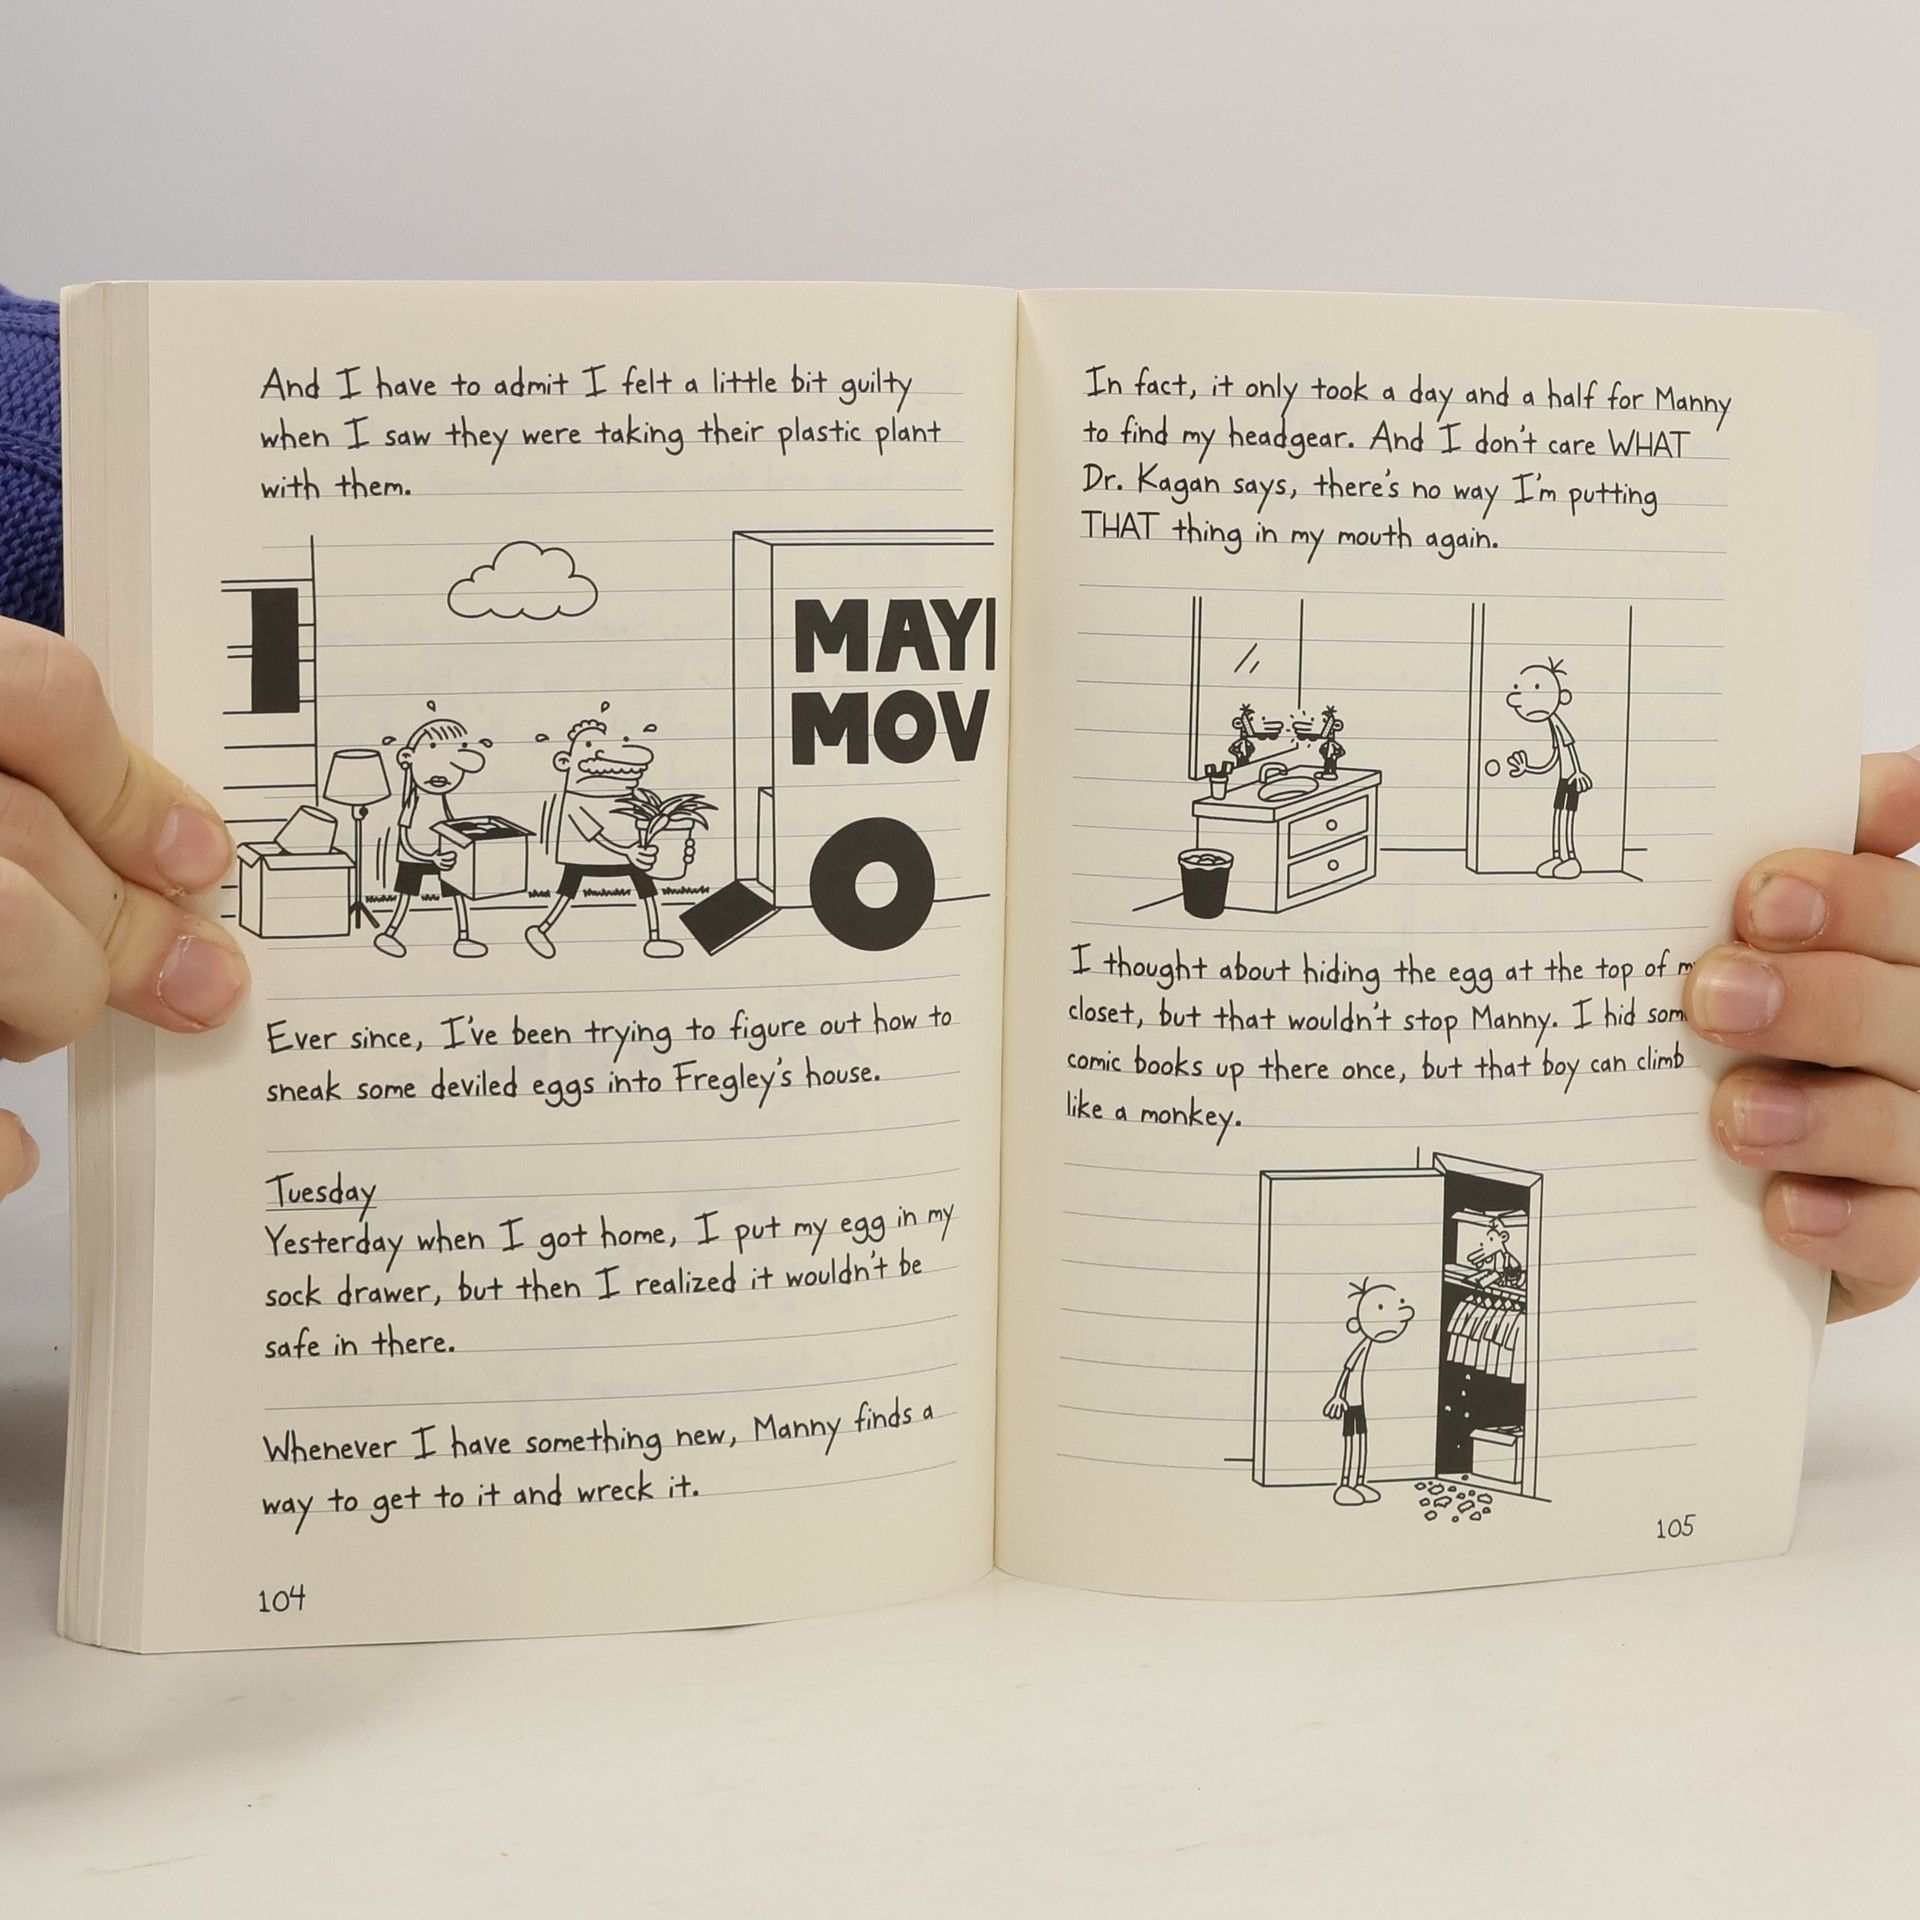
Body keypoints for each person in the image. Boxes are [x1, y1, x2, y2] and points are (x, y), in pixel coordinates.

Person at [0, 283, 1916, 1324]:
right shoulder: (195, 551)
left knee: (671, 866)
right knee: (644, 872)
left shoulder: (104, 502)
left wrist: (1686, 1218)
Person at [523, 716, 682, 960]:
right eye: (589, 746)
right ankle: (542, 929)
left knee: (646, 887)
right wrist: (627, 851)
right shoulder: (575, 802)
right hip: (588, 857)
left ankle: (655, 937)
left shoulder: (630, 797)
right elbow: (595, 835)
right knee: (567, 890)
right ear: (565, 762)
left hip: (626, 856)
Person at [374, 717, 488, 960]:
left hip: (443, 856)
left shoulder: (441, 801)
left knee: (457, 893)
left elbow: (449, 826)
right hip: (415, 857)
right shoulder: (412, 802)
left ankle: (463, 936)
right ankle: (390, 933)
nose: (442, 773)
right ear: (408, 758)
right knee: (406, 895)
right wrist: (429, 857)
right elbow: (405, 839)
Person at [1322, 1280, 1417, 1504]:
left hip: (1361, 1405)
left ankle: (1359, 1481)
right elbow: (1347, 1370)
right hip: (1351, 1404)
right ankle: (1345, 1484)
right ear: (1356, 1323)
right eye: (1381, 1308)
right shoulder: (1363, 1345)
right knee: (1351, 1441)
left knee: (1362, 1439)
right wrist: (1338, 1396)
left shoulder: (1375, 1347)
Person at [1504, 659, 1592, 877]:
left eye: (1536, 688)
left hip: (1571, 781)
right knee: (1557, 815)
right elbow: (1554, 759)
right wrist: (1528, 768)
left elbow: (1569, 750)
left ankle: (1571, 858)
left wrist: (1578, 772)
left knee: (1566, 818)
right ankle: (1558, 856)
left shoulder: (1558, 725)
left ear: (1561, 696)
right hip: (1563, 780)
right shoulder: (1552, 725)